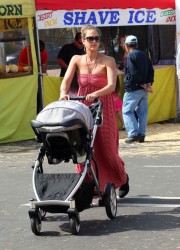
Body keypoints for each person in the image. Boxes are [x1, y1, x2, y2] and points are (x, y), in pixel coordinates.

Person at [59, 24, 129, 198]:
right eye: (90, 38)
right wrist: (63, 94)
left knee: (107, 150)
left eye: (97, 38)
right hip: (83, 109)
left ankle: (122, 178)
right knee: (84, 149)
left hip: (103, 108)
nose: (94, 42)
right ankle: (88, 185)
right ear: (83, 40)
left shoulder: (108, 61)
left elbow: (111, 86)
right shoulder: (76, 59)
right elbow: (66, 82)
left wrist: (96, 93)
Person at [122, 35, 154, 144]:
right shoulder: (144, 55)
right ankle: (141, 134)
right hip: (144, 89)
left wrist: (141, 84)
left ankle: (133, 134)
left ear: (126, 46)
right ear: (137, 44)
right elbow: (151, 70)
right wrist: (148, 84)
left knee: (127, 111)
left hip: (133, 88)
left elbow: (133, 73)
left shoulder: (130, 56)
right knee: (142, 112)